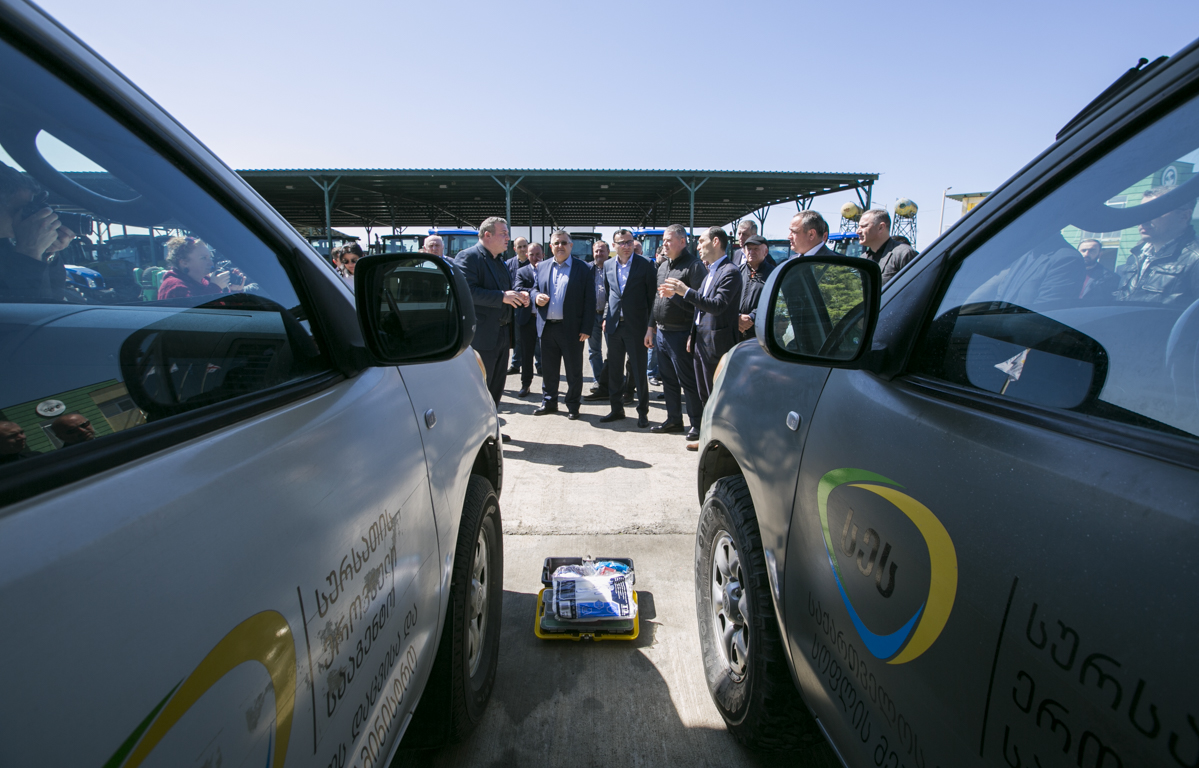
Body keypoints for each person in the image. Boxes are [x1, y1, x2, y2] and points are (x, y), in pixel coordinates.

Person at [661, 227, 742, 449]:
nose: (697, 246)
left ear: (715, 242)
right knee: (704, 394)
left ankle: (720, 443)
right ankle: (708, 437)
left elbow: (717, 306)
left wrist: (685, 291)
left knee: (718, 396)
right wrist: (692, 332)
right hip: (701, 341)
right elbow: (700, 309)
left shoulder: (730, 272)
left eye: (701, 241)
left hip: (716, 344)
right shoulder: (711, 271)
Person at [454, 217, 529, 431]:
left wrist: (520, 295)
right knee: (478, 388)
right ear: (487, 235)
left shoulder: (499, 261)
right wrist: (502, 297)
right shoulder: (469, 257)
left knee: (496, 386)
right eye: (503, 233)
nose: (508, 238)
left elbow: (506, 290)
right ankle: (473, 433)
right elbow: (467, 291)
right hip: (482, 336)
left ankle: (491, 430)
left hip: (502, 333)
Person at [528, 230, 595, 419]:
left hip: (572, 329)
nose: (560, 246)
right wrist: (536, 297)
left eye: (564, 243)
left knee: (573, 371)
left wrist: (586, 328)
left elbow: (589, 300)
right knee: (549, 370)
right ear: (551, 247)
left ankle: (573, 405)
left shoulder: (583, 268)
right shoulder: (542, 266)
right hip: (547, 327)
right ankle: (549, 402)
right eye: (556, 243)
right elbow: (534, 288)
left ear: (571, 246)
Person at [650, 224, 708, 438]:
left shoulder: (694, 266)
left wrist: (675, 296)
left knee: (688, 381)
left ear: (682, 242)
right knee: (668, 380)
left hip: (682, 333)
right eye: (663, 240)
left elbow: (701, 304)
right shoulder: (663, 266)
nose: (664, 244)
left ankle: (697, 424)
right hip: (662, 332)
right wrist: (650, 327)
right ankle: (673, 420)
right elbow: (657, 298)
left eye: (668, 240)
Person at [598, 229, 657, 427]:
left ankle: (643, 412)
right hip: (614, 326)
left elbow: (653, 299)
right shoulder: (608, 265)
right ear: (614, 245)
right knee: (614, 371)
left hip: (637, 327)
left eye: (629, 242)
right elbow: (610, 295)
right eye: (621, 243)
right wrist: (606, 317)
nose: (626, 246)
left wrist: (650, 327)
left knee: (639, 371)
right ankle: (616, 409)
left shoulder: (646, 264)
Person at [1116, 186, 1199, 305]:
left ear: (1184, 216)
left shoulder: (1195, 259)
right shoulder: (1135, 256)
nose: (1143, 220)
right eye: (1141, 212)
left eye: (1154, 212)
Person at [0, 163, 67, 303]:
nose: (30, 218)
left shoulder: (5, 247)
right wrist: (29, 252)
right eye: (20, 210)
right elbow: (27, 311)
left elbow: (55, 300)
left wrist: (47, 252)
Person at [157, 237, 245, 300]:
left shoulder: (205, 281)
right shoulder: (174, 286)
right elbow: (196, 315)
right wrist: (215, 288)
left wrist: (235, 291)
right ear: (184, 262)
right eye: (203, 258)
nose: (211, 263)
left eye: (210, 258)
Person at [512, 242, 542, 397]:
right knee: (526, 353)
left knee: (548, 353)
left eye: (538, 254)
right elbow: (517, 288)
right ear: (527, 255)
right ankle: (526, 384)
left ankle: (549, 386)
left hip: (545, 319)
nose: (535, 258)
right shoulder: (522, 271)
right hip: (527, 318)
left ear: (543, 254)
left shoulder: (549, 269)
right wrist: (535, 293)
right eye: (531, 255)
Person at [858, 209, 918, 283]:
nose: (858, 231)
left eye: (863, 226)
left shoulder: (904, 254)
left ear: (881, 227)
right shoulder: (863, 258)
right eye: (859, 226)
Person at [737, 234, 776, 342]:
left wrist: (752, 317)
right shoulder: (737, 272)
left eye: (756, 249)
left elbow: (773, 301)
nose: (751, 252)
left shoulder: (773, 273)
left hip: (759, 332)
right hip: (736, 329)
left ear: (765, 252)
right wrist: (738, 317)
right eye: (749, 249)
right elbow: (729, 298)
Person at [586, 240, 609, 388]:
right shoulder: (587, 269)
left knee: (613, 350)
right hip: (592, 315)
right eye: (596, 251)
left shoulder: (613, 268)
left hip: (610, 316)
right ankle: (599, 380)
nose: (599, 254)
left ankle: (611, 378)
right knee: (594, 350)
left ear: (608, 252)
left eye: (602, 251)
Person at [507, 237, 531, 375]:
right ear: (514, 248)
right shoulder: (508, 264)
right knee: (517, 337)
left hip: (532, 306)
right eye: (519, 247)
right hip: (515, 306)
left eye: (524, 246)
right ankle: (516, 364)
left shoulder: (534, 263)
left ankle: (540, 365)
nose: (522, 249)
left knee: (536, 338)